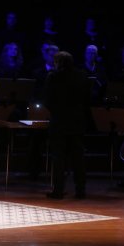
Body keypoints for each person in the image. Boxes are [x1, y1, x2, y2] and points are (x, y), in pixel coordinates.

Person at [44, 51, 90, 199]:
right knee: (78, 157)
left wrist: (56, 111)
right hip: (77, 121)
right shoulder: (82, 76)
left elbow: (48, 100)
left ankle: (58, 190)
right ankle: (80, 190)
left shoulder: (53, 77)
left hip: (59, 122)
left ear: (58, 63)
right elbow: (87, 98)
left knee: (58, 157)